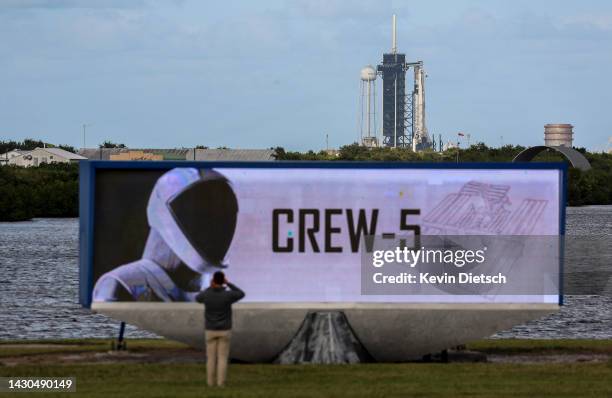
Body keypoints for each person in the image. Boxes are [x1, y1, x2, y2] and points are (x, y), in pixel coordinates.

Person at [196, 271, 245, 387]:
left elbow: (198, 298)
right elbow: (241, 294)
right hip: (225, 329)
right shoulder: (228, 295)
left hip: (210, 330)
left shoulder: (207, 294)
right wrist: (229, 284)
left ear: (213, 280)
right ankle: (221, 383)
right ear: (223, 281)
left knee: (211, 359)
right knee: (222, 358)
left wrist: (210, 287)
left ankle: (210, 383)